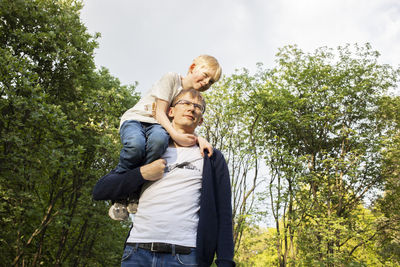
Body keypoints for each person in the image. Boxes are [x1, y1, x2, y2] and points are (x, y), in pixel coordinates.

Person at [93, 89, 235, 266]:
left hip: (186, 255)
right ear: (170, 111)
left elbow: (223, 213)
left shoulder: (211, 157)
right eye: (185, 103)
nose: (191, 108)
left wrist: (225, 261)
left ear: (201, 120)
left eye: (197, 107)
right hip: (137, 252)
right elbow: (100, 190)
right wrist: (143, 173)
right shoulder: (148, 150)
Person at [110, 55, 221, 220]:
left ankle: (135, 190)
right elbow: (160, 112)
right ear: (192, 68)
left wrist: (199, 139)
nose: (206, 82)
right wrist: (175, 134)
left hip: (157, 127)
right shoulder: (172, 79)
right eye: (205, 76)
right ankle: (118, 192)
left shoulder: (193, 99)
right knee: (136, 146)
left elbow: (183, 124)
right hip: (138, 120)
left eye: (211, 81)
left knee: (159, 142)